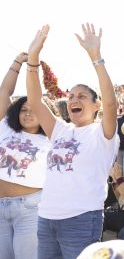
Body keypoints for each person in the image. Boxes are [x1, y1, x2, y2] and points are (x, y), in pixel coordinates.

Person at [26, 24, 120, 259]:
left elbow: (111, 104)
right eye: (70, 96)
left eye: (82, 96)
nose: (73, 100)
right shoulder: (60, 129)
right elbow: (35, 101)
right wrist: (33, 58)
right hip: (47, 218)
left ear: (95, 105)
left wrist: (96, 57)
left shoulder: (102, 133)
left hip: (81, 219)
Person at [0, 52, 53, 259]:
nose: (28, 113)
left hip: (30, 209)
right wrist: (17, 63)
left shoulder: (51, 138)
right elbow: (4, 91)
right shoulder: (5, 128)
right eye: (23, 109)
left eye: (34, 110)